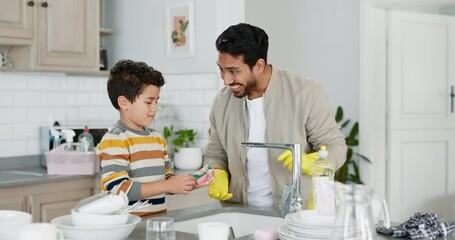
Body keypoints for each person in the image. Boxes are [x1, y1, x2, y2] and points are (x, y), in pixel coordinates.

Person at [204, 23, 347, 209]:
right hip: (239, 214)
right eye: (221, 70)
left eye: (234, 71)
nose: (226, 80)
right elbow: (215, 153)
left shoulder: (306, 94)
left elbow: (336, 147)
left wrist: (319, 161)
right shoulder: (222, 102)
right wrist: (217, 171)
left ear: (259, 65)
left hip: (295, 216)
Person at [96, 59, 196, 216]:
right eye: (149, 102)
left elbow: (167, 179)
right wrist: (166, 186)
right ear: (124, 102)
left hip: (157, 222)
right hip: (126, 228)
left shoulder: (157, 138)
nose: (155, 108)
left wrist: (189, 182)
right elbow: (117, 190)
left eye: (157, 101)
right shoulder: (115, 140)